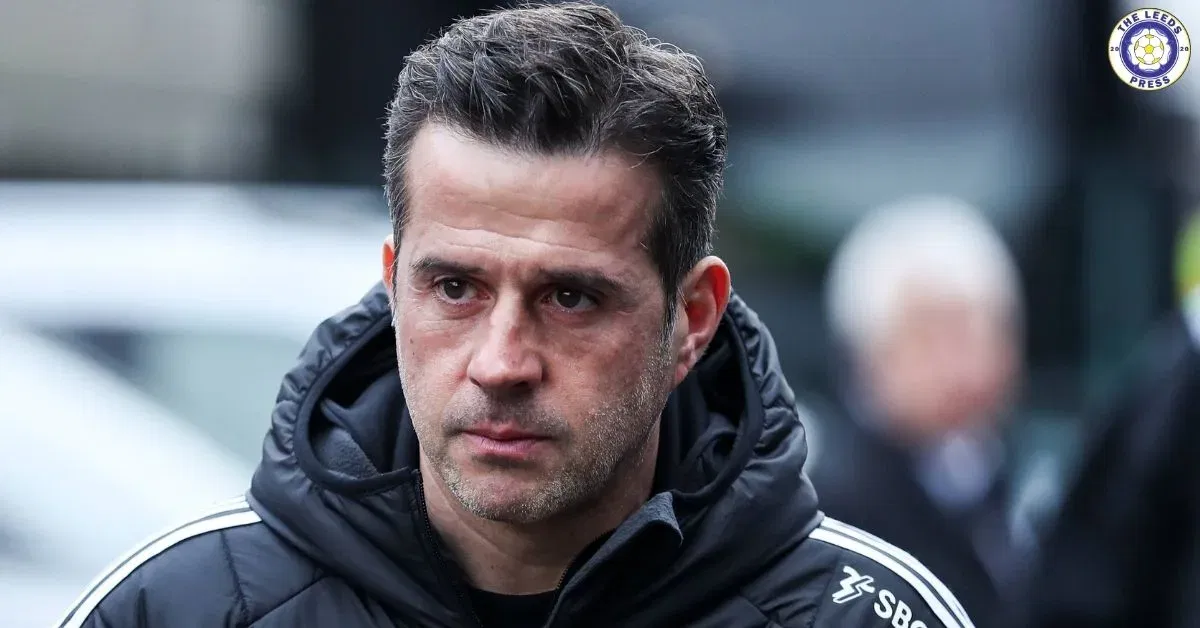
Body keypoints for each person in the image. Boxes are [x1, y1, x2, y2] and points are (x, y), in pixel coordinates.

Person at [58, 4, 973, 627]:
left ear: (691, 320)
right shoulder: (180, 609)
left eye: (571, 297)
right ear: (393, 285)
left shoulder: (857, 615)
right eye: (455, 288)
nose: (501, 362)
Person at [806, 197, 1035, 627]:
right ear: (870, 354)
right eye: (932, 337)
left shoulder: (1024, 481)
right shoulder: (827, 507)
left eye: (981, 331)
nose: (964, 364)